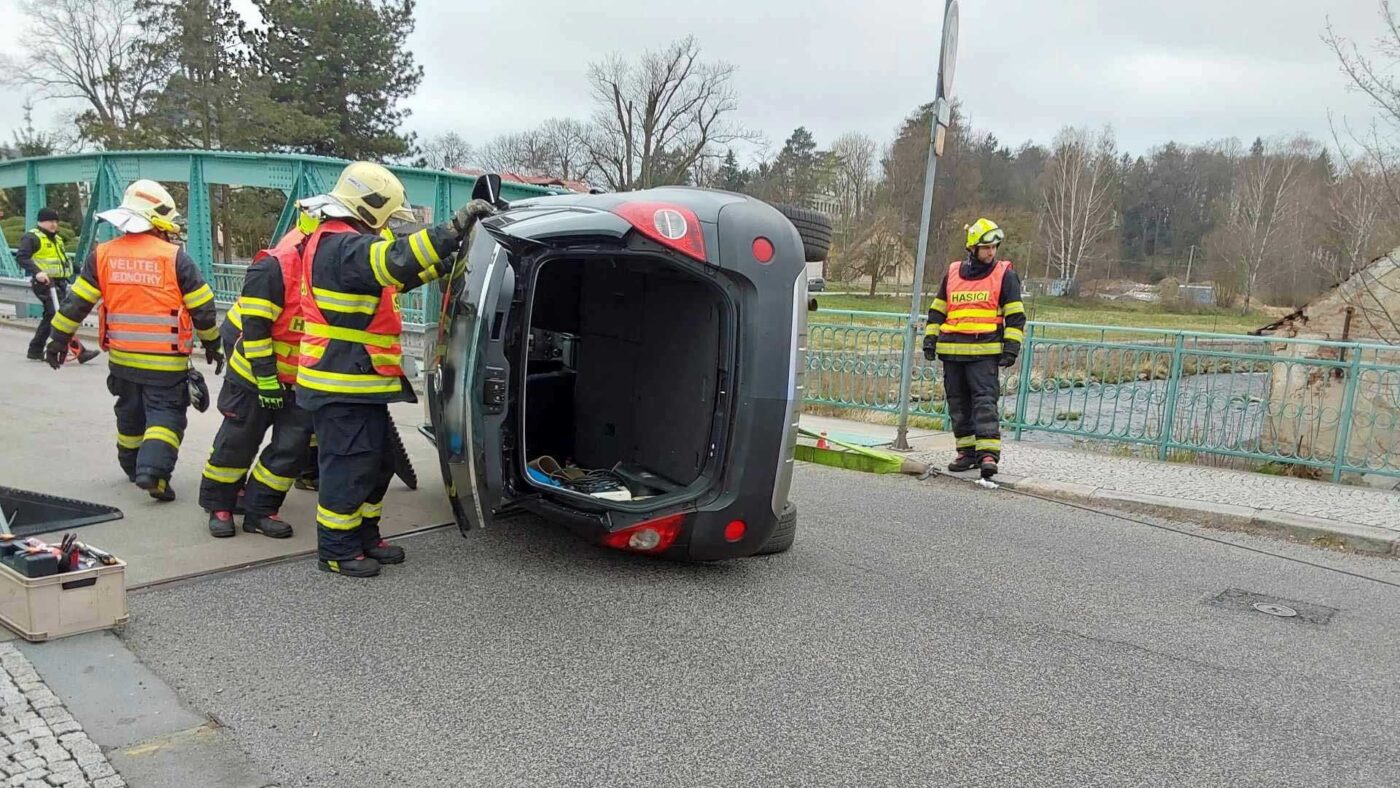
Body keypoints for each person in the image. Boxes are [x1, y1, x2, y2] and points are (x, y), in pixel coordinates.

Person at [297, 161, 495, 578]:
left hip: (358, 382)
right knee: (348, 466)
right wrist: (452, 229)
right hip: (340, 383)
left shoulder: (345, 245)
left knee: (376, 460)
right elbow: (395, 261)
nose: (387, 225)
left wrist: (446, 262)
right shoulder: (341, 246)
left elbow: (396, 277)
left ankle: (364, 536)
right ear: (370, 207)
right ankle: (336, 549)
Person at [45, 180, 224, 501]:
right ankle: (153, 473)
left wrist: (57, 340)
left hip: (123, 360)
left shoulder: (103, 255)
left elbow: (76, 305)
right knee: (166, 417)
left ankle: (131, 464)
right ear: (158, 222)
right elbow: (204, 310)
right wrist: (213, 344)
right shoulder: (175, 258)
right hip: (165, 363)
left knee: (129, 412)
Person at [198, 211, 334, 539]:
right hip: (254, 375)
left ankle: (260, 509)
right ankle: (221, 505)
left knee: (291, 448)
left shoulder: (337, 271)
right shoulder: (274, 267)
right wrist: (267, 379)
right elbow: (256, 330)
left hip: (301, 379)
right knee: (237, 441)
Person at [922, 218, 1026, 479]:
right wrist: (930, 339)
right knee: (958, 405)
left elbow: (1015, 316)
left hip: (984, 353)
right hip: (953, 352)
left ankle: (988, 456)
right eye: (986, 247)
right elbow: (937, 310)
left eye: (994, 247)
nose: (991, 252)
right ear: (973, 248)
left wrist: (1011, 348)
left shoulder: (1005, 275)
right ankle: (966, 453)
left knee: (984, 404)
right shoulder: (954, 273)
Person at [18, 207, 98, 364]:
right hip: (45, 283)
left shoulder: (57, 239)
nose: (54, 224)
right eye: (50, 221)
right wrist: (37, 272)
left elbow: (63, 261)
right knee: (60, 316)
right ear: (41, 221)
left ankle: (35, 349)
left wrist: (80, 270)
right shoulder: (32, 237)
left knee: (52, 316)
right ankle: (80, 351)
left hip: (59, 283)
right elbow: (22, 257)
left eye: (55, 221)